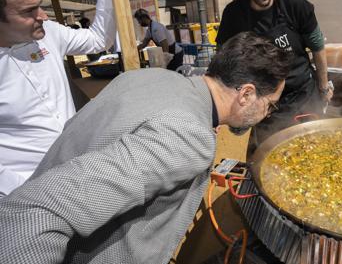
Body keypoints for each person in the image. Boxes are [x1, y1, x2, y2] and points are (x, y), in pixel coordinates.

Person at [0, 31, 291, 264]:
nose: (268, 114)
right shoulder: (188, 136)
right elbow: (37, 209)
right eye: (270, 104)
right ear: (247, 94)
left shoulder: (150, 76)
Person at [0, 0, 128, 196]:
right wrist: (24, 192)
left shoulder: (49, 32)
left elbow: (98, 39)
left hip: (78, 173)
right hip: (27, 196)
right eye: (28, 11)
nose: (42, 16)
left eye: (40, 5)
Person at [216, 0, 334, 147]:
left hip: (304, 96)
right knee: (272, 157)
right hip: (264, 104)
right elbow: (223, 61)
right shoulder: (234, 15)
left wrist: (324, 87)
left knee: (314, 151)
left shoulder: (295, 5)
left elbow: (317, 45)